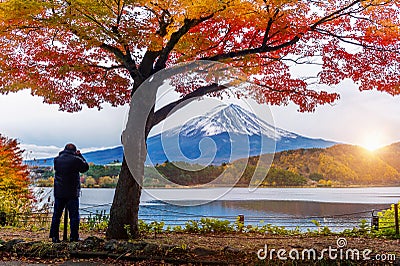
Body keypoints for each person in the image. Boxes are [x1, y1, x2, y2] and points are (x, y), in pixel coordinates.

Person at [49, 143, 89, 243]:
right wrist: (80, 155)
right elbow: (85, 168)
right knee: (74, 216)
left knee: (56, 215)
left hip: (59, 192)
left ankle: (54, 237)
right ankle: (74, 237)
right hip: (72, 192)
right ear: (74, 151)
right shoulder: (76, 160)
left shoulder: (57, 159)